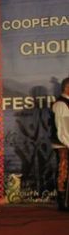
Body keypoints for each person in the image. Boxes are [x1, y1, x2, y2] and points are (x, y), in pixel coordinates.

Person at [51, 77, 69, 211]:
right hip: (63, 143)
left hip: (65, 142)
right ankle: (63, 202)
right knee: (63, 170)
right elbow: (62, 128)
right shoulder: (61, 104)